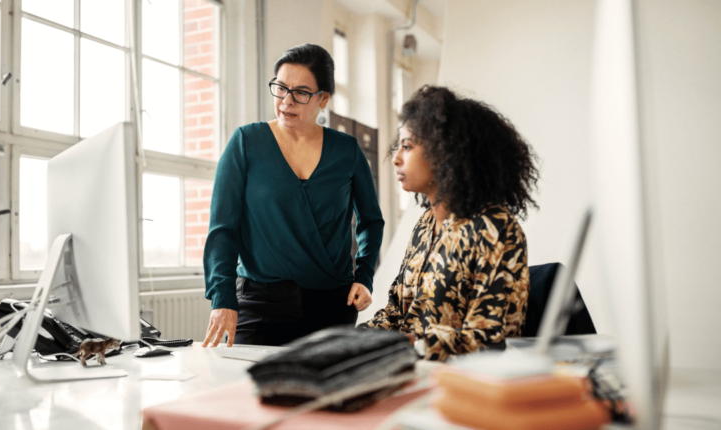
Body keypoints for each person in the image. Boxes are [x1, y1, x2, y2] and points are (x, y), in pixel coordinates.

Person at [202, 44, 384, 348]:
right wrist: (222, 297)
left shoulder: (347, 151)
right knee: (245, 392)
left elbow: (371, 221)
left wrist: (364, 276)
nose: (287, 101)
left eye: (301, 92)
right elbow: (223, 228)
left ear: (324, 98)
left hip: (332, 306)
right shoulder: (246, 143)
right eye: (280, 88)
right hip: (259, 302)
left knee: (329, 395)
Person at [358, 86, 539, 361]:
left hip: (457, 384)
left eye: (407, 147)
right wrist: (349, 341)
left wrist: (411, 345)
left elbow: (492, 339)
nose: (395, 158)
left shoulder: (494, 229)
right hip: (405, 373)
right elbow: (395, 313)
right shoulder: (425, 224)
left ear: (446, 153)